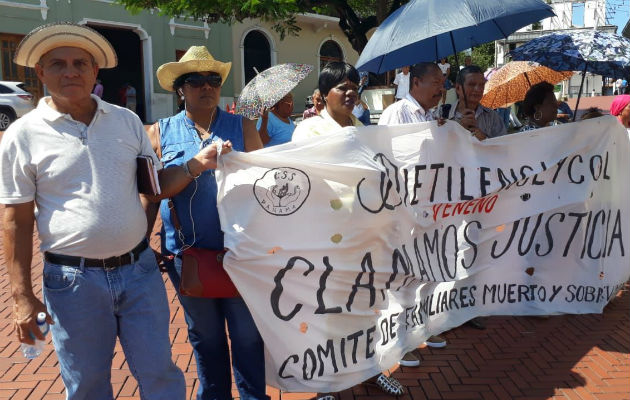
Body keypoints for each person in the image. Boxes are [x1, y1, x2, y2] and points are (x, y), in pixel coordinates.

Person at [0, 22, 189, 399]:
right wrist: (22, 297)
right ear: (40, 72)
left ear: (94, 71)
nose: (70, 71)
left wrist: (196, 165)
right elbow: (15, 221)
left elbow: (152, 187)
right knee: (86, 385)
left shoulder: (126, 120)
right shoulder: (23, 135)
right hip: (72, 283)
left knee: (160, 375)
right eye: (57, 64)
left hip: (139, 274)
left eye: (80, 63)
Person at [147, 45, 267, 400]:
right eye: (195, 80)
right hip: (188, 258)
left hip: (240, 255)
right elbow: (152, 193)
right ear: (180, 89)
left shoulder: (243, 127)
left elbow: (268, 190)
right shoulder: (160, 132)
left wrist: (241, 166)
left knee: (247, 336)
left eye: (213, 79)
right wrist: (141, 243)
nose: (206, 86)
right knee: (206, 337)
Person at [292, 62, 405, 398]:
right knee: (327, 312)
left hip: (364, 238)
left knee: (365, 309)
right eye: (341, 86)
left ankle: (370, 370)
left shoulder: (364, 130)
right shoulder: (307, 132)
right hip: (326, 240)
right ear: (322, 96)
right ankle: (326, 384)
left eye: (354, 85)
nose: (350, 91)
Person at [378, 62, 451, 366]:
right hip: (403, 210)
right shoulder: (397, 114)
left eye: (443, 82)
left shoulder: (433, 115)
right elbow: (386, 159)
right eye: (436, 82)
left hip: (430, 208)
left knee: (429, 270)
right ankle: (400, 340)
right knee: (403, 277)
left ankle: (423, 329)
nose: (441, 88)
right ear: (415, 82)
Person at [447, 65, 507, 141]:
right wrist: (460, 129)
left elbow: (503, 148)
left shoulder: (492, 117)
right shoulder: (441, 115)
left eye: (482, 85)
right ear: (458, 88)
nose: (478, 89)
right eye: (472, 84)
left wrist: (483, 139)